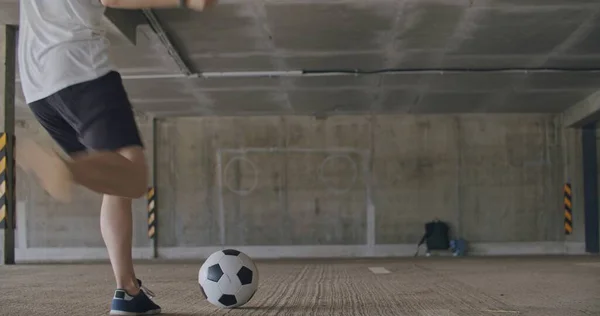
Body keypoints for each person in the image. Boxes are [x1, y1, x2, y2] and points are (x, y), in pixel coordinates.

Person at [16, 0, 216, 315]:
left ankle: (128, 293)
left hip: (37, 86)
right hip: (78, 68)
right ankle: (67, 170)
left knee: (115, 180)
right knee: (134, 177)